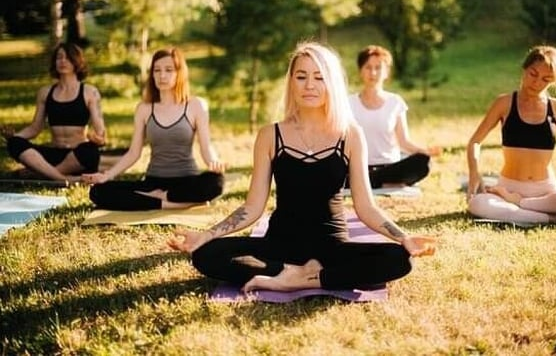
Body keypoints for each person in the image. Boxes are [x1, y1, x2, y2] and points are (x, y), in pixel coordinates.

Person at [168, 41, 436, 293]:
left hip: (332, 247)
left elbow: (365, 207)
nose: (310, 85)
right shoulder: (270, 135)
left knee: (400, 260)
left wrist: (404, 238)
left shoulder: (350, 135)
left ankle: (309, 278)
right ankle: (288, 273)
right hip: (280, 245)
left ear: (331, 83)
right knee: (205, 254)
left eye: (319, 77)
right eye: (301, 76)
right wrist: (207, 234)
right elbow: (252, 207)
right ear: (291, 82)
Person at [466, 45, 556, 224]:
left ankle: (520, 204)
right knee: (477, 204)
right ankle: (550, 217)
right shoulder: (505, 103)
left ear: (553, 81)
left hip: (545, 192)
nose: (537, 83)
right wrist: (474, 173)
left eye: (546, 79)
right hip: (509, 185)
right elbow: (475, 141)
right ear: (524, 69)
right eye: (533, 74)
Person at [82, 47, 224, 210]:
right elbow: (134, 153)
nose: (162, 75)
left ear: (179, 73)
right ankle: (172, 203)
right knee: (98, 191)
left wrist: (214, 162)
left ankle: (158, 200)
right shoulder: (144, 108)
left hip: (186, 180)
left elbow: (206, 147)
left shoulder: (196, 105)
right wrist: (106, 176)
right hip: (153, 183)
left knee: (216, 182)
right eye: (157, 70)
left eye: (168, 70)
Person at [1, 42, 106, 183]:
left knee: (90, 152)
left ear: (77, 61)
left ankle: (40, 174)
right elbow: (35, 128)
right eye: (59, 58)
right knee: (15, 144)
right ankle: (63, 178)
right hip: (53, 154)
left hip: (77, 156)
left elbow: (100, 131)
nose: (62, 61)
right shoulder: (45, 93)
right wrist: (15, 137)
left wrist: (98, 139)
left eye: (67, 58)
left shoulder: (89, 92)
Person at [348, 45, 440, 189]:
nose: (373, 72)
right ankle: (373, 181)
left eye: (378, 67)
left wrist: (425, 152)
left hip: (390, 168)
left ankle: (371, 181)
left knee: (423, 162)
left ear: (386, 72)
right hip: (359, 168)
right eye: (368, 67)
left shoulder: (395, 102)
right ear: (360, 70)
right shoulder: (348, 103)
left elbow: (404, 142)